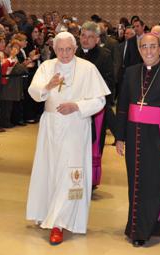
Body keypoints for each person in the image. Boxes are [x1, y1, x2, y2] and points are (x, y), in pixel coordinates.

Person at [26, 31, 110, 245]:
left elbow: (100, 101)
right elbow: (34, 92)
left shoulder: (87, 68)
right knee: (49, 170)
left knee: (69, 174)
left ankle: (59, 223)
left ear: (75, 49)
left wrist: (77, 106)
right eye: (60, 49)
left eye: (68, 49)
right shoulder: (47, 67)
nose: (64, 54)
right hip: (50, 126)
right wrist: (47, 86)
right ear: (55, 49)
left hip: (75, 126)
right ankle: (46, 212)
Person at [116, 33, 160, 247]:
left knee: (152, 183)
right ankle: (137, 226)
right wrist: (119, 137)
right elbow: (123, 107)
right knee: (135, 182)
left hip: (157, 136)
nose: (148, 51)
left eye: (153, 46)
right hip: (134, 133)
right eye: (143, 46)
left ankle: (147, 228)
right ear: (139, 49)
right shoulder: (130, 72)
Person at [76, 21, 116, 190]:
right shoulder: (72, 53)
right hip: (75, 108)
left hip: (95, 108)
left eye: (90, 37)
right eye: (83, 36)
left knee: (93, 143)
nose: (85, 40)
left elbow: (109, 82)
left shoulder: (104, 55)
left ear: (97, 38)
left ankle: (90, 181)